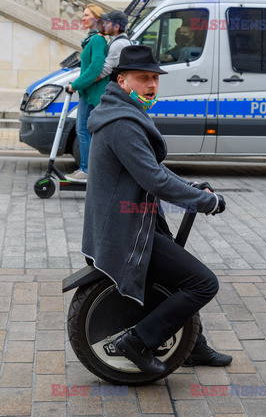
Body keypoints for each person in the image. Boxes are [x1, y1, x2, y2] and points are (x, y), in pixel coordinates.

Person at [82, 45, 232, 374]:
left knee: (181, 277)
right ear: (122, 81)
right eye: (142, 78)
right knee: (203, 283)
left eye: (154, 78)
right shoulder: (122, 123)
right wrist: (206, 201)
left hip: (134, 220)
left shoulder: (123, 112)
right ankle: (137, 341)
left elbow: (154, 171)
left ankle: (193, 346)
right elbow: (155, 179)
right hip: (126, 231)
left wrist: (191, 189)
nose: (151, 85)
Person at [65, 4, 109, 183]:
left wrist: (75, 85)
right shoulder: (90, 39)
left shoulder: (98, 40)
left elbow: (95, 67)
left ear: (96, 18)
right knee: (83, 130)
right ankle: (87, 168)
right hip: (87, 94)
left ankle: (88, 170)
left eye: (86, 15)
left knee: (84, 131)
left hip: (94, 94)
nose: (82, 18)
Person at [97, 10, 131, 82]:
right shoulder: (119, 40)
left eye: (107, 23)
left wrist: (86, 83)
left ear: (116, 27)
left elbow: (105, 70)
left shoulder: (118, 44)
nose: (104, 25)